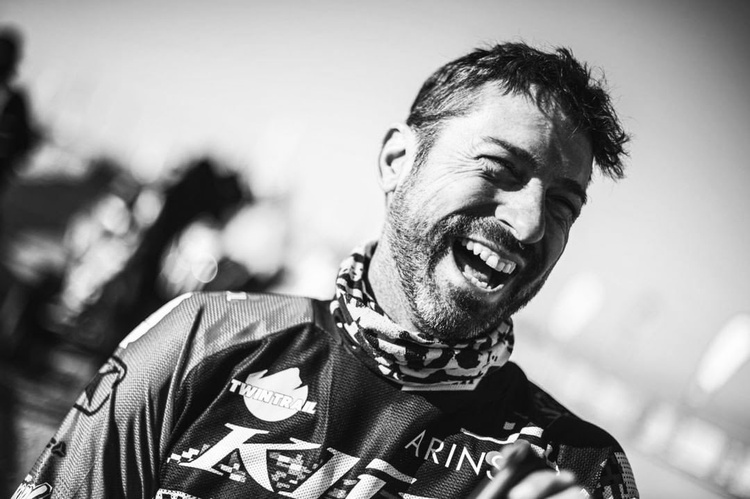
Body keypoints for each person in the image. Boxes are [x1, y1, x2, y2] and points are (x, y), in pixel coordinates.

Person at [14, 42, 638, 499]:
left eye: (563, 205)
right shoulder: (200, 340)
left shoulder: (578, 471)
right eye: (499, 169)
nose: (530, 224)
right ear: (397, 160)